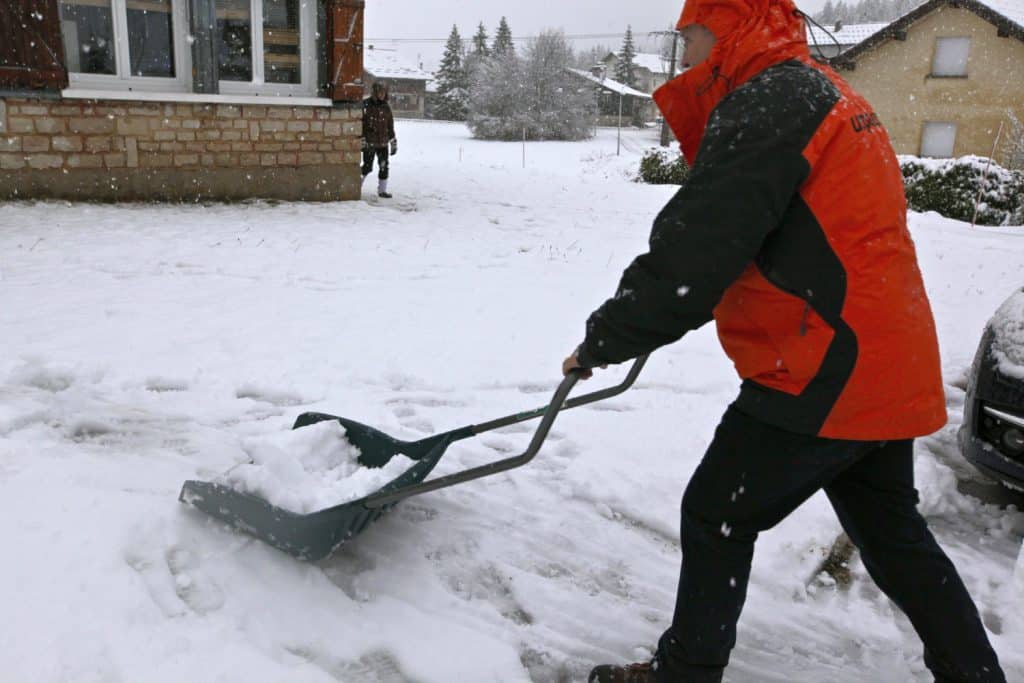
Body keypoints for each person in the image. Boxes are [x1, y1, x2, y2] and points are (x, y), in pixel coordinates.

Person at [564, 0, 1007, 681]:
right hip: (884, 354)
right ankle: (975, 672)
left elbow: (700, 247)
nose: (686, 59)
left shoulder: (773, 101)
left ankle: (685, 672)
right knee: (892, 535)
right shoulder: (822, 90)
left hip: (824, 363)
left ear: (730, 30)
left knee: (717, 510)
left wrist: (605, 337)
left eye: (694, 39)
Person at [362, 80, 398, 199]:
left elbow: (390, 126)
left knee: (384, 166)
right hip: (369, 143)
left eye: (384, 92)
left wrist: (393, 141)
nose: (382, 94)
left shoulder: (386, 107)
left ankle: (382, 191)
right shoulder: (366, 105)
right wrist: (362, 139)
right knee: (367, 167)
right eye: (380, 92)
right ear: (375, 92)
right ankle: (355, 187)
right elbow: (360, 123)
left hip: (383, 143)